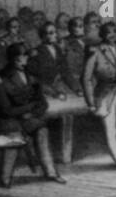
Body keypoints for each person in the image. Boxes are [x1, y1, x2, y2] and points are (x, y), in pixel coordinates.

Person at [0, 42, 65, 186]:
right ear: (11, 59)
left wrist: (31, 114)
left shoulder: (31, 77)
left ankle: (50, 172)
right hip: (4, 120)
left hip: (25, 118)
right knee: (14, 135)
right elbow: (5, 110)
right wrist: (29, 108)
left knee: (42, 129)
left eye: (25, 57)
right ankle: (4, 178)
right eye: (19, 58)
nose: (24, 60)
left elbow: (43, 104)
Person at [82, 22, 116, 171]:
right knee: (110, 129)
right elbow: (86, 78)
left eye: (114, 31)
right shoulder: (96, 51)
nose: (112, 34)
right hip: (103, 95)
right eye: (108, 32)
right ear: (102, 35)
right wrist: (91, 102)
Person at [29, 21, 80, 165]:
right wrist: (53, 93)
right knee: (42, 123)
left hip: (59, 90)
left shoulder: (58, 49)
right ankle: (41, 157)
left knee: (68, 117)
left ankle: (65, 156)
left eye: (54, 32)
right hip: (43, 92)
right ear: (42, 36)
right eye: (49, 33)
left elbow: (65, 72)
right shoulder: (36, 52)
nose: (53, 36)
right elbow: (34, 80)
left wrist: (77, 89)